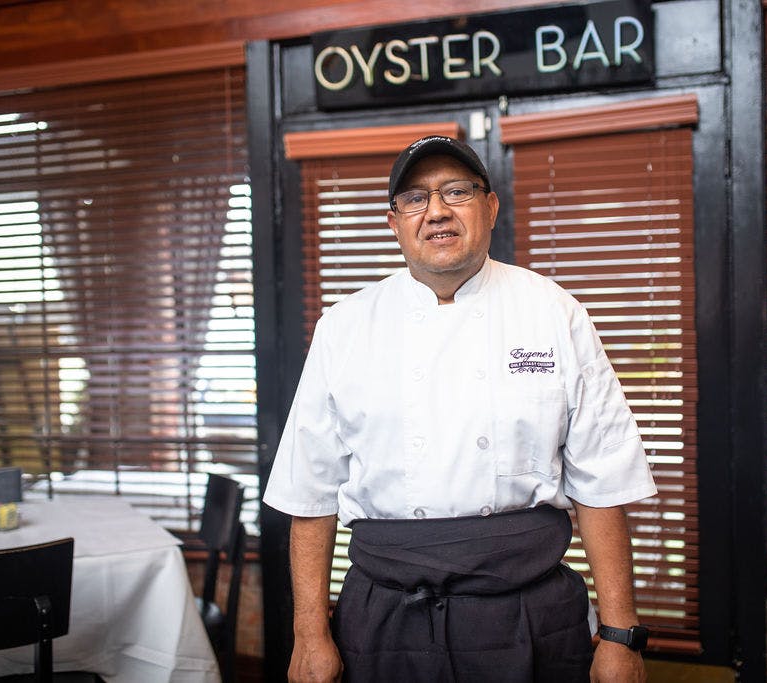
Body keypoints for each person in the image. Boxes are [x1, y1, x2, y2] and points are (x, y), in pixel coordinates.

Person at [264, 135, 657, 683]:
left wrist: (620, 636)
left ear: (490, 207)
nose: (437, 212)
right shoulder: (344, 327)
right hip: (383, 616)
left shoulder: (553, 312)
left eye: (457, 191)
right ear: (394, 222)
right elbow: (311, 492)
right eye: (415, 198)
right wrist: (309, 633)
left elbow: (603, 481)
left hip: (529, 612)